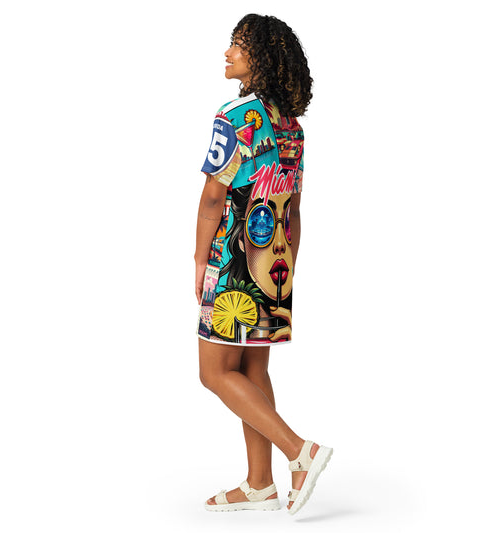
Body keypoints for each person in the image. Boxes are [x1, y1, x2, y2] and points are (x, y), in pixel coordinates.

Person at [194, 14, 332, 515]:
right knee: (253, 368)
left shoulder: (236, 116)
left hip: (234, 256)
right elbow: (293, 209)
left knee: (214, 372)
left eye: (238, 44)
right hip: (276, 257)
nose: (228, 52)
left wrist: (199, 260)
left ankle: (300, 452)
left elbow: (214, 198)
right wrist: (288, 264)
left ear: (260, 57)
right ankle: (260, 484)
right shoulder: (291, 126)